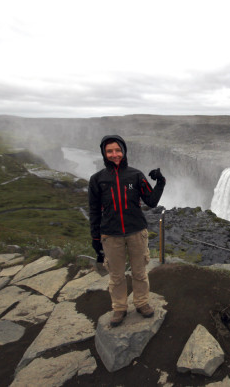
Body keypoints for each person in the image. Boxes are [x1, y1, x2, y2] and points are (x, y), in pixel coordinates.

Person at [88, 134, 166, 327]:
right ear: (104, 154)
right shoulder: (97, 179)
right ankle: (119, 308)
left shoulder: (136, 175)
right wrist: (95, 238)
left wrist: (161, 182)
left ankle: (141, 303)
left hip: (136, 232)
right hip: (111, 235)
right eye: (110, 151)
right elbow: (94, 211)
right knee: (116, 275)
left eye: (117, 150)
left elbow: (151, 201)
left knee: (140, 272)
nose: (114, 154)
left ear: (123, 151)